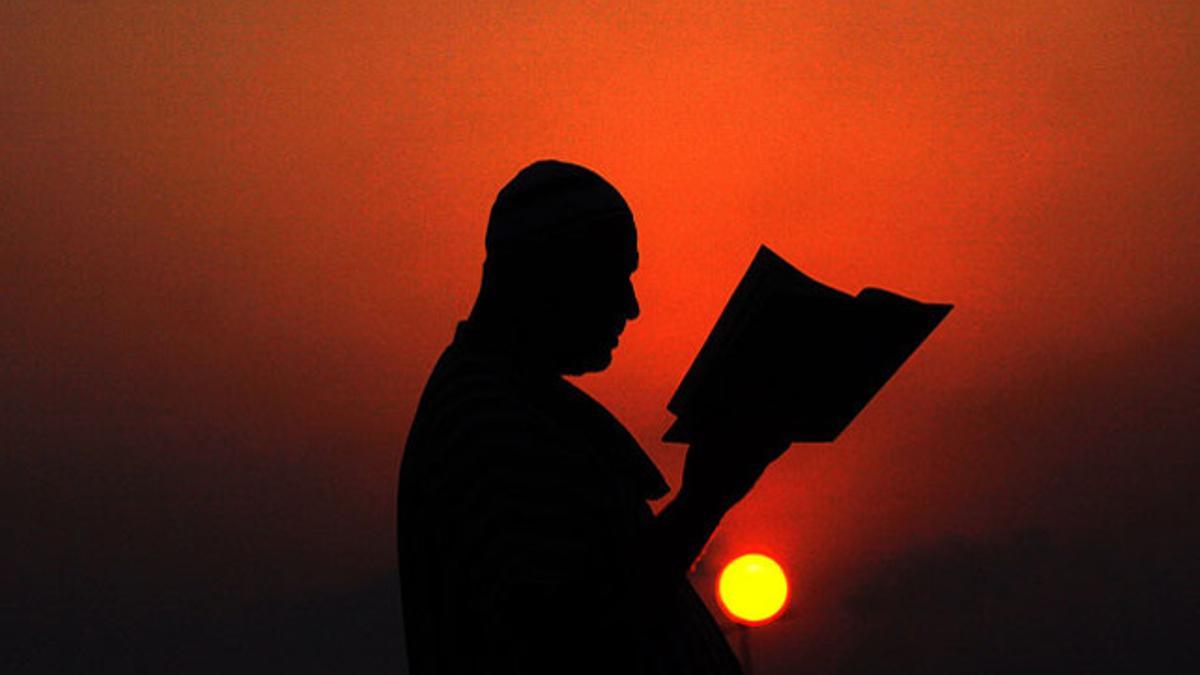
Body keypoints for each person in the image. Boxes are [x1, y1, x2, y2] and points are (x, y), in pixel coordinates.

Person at [397, 160, 789, 674]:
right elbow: (575, 640)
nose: (631, 307)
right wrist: (703, 501)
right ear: (553, 277)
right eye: (615, 277)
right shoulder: (491, 424)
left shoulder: (513, 405)